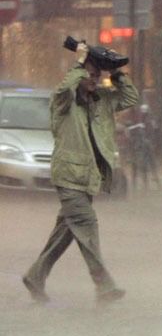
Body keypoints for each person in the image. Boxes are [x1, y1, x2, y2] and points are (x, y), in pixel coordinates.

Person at [23, 42, 137, 304]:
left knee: (66, 232)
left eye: (97, 75)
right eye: (91, 74)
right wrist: (80, 63)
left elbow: (130, 98)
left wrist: (115, 72)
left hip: (88, 179)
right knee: (86, 223)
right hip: (68, 177)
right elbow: (64, 88)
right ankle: (104, 285)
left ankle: (35, 276)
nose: (94, 79)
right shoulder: (63, 102)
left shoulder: (103, 101)